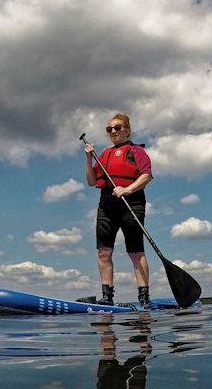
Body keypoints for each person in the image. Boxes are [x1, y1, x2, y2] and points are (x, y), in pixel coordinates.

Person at [84, 113, 153, 307]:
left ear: (127, 131)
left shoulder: (136, 151)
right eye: (109, 129)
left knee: (135, 251)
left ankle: (144, 297)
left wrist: (127, 189)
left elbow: (147, 175)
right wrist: (89, 159)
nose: (113, 131)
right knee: (104, 252)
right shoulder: (104, 154)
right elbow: (91, 181)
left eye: (118, 127)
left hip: (132, 203)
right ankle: (107, 297)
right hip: (107, 206)